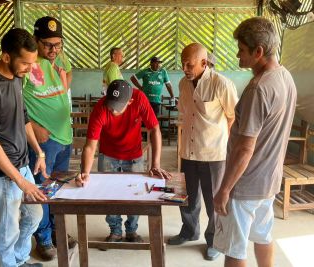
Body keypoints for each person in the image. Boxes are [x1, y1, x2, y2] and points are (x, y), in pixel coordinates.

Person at [213, 17, 297, 267]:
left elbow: (245, 148)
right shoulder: (286, 78)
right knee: (263, 235)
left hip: (245, 184)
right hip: (269, 181)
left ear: (258, 51)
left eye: (241, 50)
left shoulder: (259, 88)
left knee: (234, 249)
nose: (238, 56)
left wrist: (225, 189)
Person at [0, 28, 46, 267]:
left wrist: (39, 151)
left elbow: (23, 118)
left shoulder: (16, 78)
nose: (29, 69)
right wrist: (20, 180)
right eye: (25, 63)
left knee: (35, 215)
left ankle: (20, 259)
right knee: (8, 229)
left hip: (23, 163)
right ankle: (9, 264)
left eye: (31, 63)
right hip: (3, 172)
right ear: (6, 57)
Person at [75, 79, 172, 242]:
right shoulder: (100, 108)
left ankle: (132, 230)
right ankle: (115, 230)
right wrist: (85, 172)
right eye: (111, 106)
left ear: (130, 101)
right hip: (108, 155)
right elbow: (90, 146)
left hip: (134, 155)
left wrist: (155, 164)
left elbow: (154, 129)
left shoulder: (139, 99)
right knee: (108, 195)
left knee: (136, 195)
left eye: (118, 108)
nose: (113, 112)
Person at [167, 43, 238, 261]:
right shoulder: (183, 83)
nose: (185, 68)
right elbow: (187, 113)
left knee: (213, 200)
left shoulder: (221, 84)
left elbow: (232, 117)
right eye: (183, 64)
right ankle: (189, 231)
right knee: (187, 197)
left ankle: (214, 240)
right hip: (188, 151)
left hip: (213, 154)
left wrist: (227, 148)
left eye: (189, 64)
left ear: (204, 63)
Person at [22, 16, 76, 261]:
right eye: (47, 45)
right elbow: (12, 103)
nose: (53, 50)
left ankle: (57, 232)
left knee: (59, 190)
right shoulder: (26, 63)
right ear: (35, 40)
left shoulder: (61, 58)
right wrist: (33, 125)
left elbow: (68, 78)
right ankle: (42, 238)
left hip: (65, 136)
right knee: (43, 191)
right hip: (43, 141)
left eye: (58, 44)